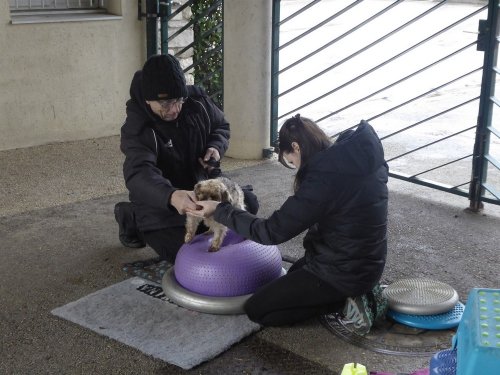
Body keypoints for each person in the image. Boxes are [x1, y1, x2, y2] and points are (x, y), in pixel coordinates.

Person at [186, 115, 388, 332]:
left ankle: (347, 301)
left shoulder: (325, 180)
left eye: (291, 161)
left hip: (345, 272)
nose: (295, 166)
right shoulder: (353, 158)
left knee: (258, 309)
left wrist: (221, 210)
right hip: (363, 260)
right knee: (292, 276)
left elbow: (271, 231)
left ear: (296, 147)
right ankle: (356, 289)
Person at [114, 54, 258, 264]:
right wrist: (171, 196)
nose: (173, 109)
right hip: (162, 201)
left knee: (249, 205)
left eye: (178, 100)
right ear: (147, 99)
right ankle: (131, 216)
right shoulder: (137, 128)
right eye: (164, 103)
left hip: (200, 188)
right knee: (184, 252)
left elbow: (221, 126)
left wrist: (215, 147)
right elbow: (139, 174)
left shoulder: (197, 102)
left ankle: (189, 217)